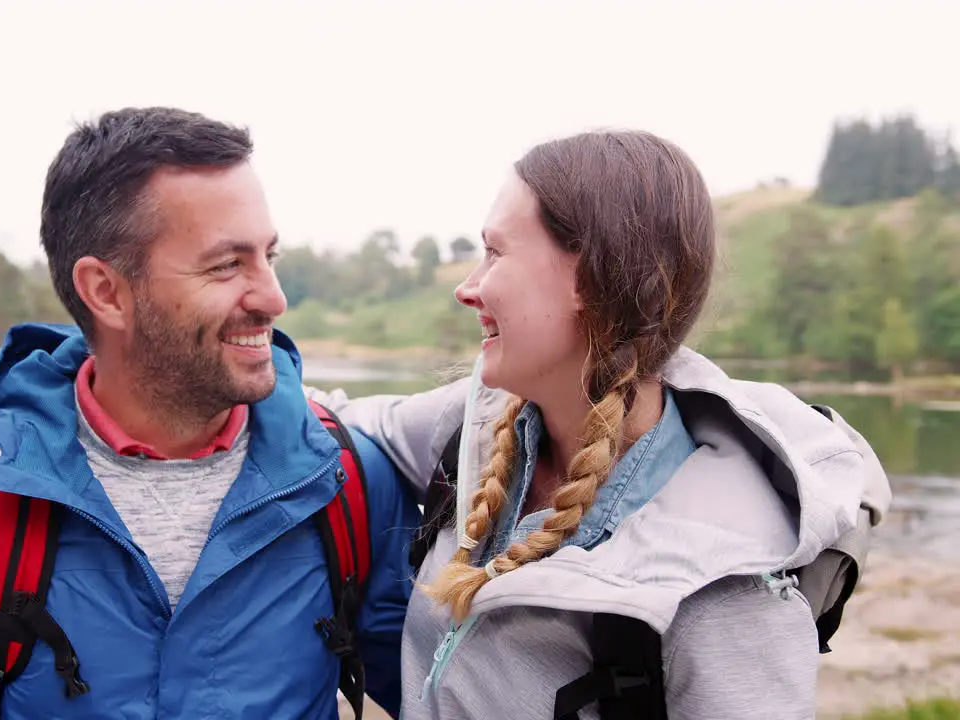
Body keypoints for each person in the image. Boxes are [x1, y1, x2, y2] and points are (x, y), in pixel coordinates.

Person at [0, 107, 420, 719]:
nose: (273, 296)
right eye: (227, 264)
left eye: (268, 255)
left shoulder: (349, 484)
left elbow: (450, 693)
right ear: (106, 291)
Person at [304, 130, 892, 719]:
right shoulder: (479, 422)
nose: (467, 288)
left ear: (591, 278)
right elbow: (345, 421)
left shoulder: (727, 592)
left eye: (495, 252)